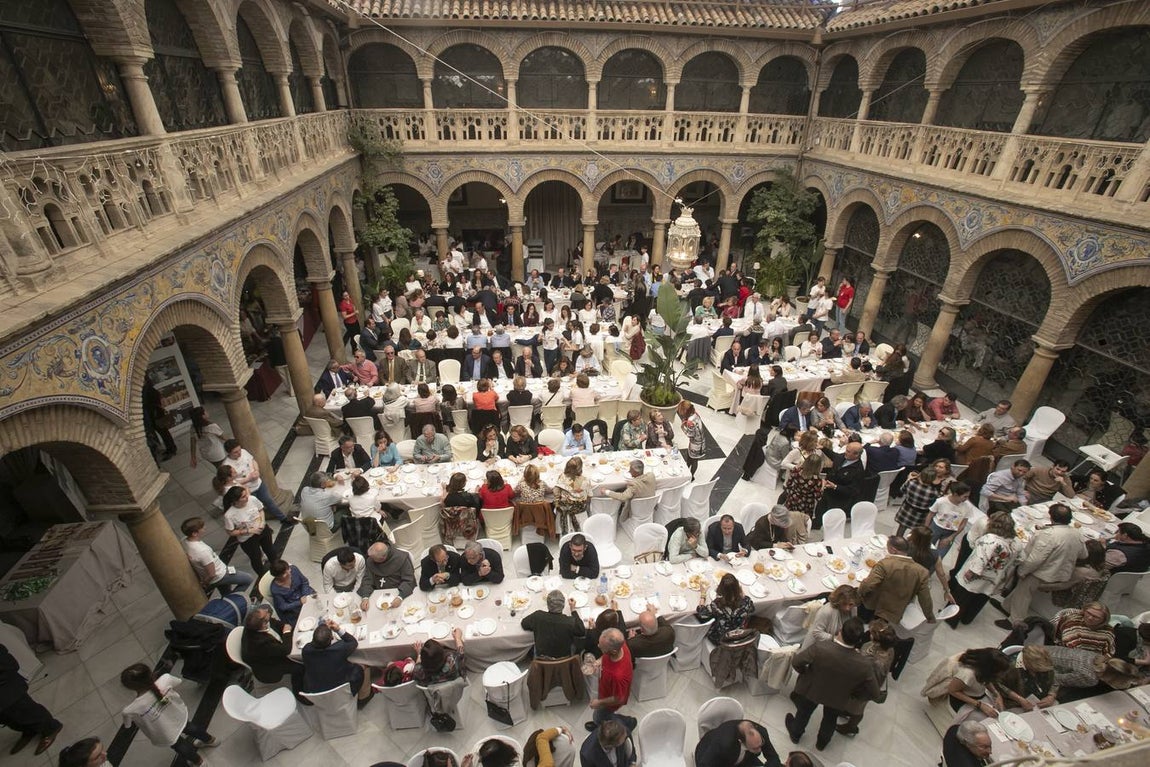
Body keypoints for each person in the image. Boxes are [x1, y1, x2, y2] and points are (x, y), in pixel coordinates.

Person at [787, 617, 880, 751]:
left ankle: (796, 734)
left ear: (840, 631)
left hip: (813, 688)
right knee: (830, 719)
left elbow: (796, 662)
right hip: (839, 696)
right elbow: (875, 693)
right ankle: (822, 743)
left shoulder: (821, 647)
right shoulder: (864, 665)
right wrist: (854, 694)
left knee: (804, 712)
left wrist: (806, 673)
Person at [1001, 503, 1086, 628]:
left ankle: (1015, 622)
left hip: (1041, 572)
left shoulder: (1049, 534)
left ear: (1051, 517)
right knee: (1021, 591)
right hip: (1060, 572)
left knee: (1023, 595)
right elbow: (1084, 554)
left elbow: (1035, 559)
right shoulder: (1077, 533)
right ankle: (1006, 607)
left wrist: (1022, 571)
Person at [119, 663, 215, 765]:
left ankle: (199, 762)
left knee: (180, 745)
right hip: (178, 716)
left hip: (165, 731)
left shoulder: (130, 710)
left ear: (131, 687)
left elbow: (127, 725)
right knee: (191, 727)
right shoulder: (165, 679)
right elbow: (178, 681)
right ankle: (211, 740)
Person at [947, 512, 1018, 626]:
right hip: (994, 577)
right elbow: (1018, 559)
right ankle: (966, 619)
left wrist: (972, 572)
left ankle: (951, 619)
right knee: (979, 599)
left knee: (961, 596)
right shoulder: (1015, 543)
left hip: (977, 575)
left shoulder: (989, 539)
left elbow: (981, 558)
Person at [0, 644, 62, 757]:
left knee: (23, 709)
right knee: (6, 717)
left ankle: (51, 728)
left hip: (4, 684)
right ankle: (29, 729)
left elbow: (6, 661)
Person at [858, 536, 934, 624]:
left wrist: (859, 593)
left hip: (873, 604)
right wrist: (930, 617)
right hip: (893, 611)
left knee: (863, 619)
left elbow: (868, 585)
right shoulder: (922, 572)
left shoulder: (885, 564)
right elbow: (925, 599)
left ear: (893, 550)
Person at [302, 622, 374, 707]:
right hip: (342, 691)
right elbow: (353, 642)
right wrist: (338, 629)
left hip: (317, 695)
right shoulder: (338, 649)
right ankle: (364, 697)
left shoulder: (306, 650)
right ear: (332, 638)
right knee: (363, 664)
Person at [921, 648, 1009, 716]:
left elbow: (986, 681)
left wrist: (996, 694)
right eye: (1000, 672)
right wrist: (979, 705)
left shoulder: (984, 671)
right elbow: (952, 690)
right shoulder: (967, 674)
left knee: (994, 711)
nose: (1002, 675)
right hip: (959, 700)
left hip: (976, 695)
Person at [180, 516, 253, 596]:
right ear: (194, 533)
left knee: (226, 592)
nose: (205, 528)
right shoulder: (202, 551)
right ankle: (234, 599)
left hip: (217, 573)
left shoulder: (184, 541)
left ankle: (227, 598)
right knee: (248, 579)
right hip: (220, 575)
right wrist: (205, 583)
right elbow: (212, 574)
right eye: (202, 527)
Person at [222, 439, 292, 523]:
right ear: (229, 453)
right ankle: (260, 525)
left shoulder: (243, 452)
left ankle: (282, 518)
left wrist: (256, 470)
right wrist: (248, 479)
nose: (239, 453)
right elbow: (232, 483)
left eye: (239, 450)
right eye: (235, 452)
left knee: (269, 501)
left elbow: (253, 460)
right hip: (247, 491)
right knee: (254, 510)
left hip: (258, 484)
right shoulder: (227, 466)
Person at [222, 485, 277, 575]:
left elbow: (260, 510)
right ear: (236, 501)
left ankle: (277, 568)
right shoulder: (229, 515)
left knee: (270, 550)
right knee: (256, 558)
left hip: (262, 530)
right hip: (247, 539)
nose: (247, 497)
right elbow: (230, 532)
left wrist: (262, 522)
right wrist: (249, 531)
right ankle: (262, 575)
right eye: (243, 497)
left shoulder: (252, 499)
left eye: (246, 494)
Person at [587, 628, 633, 731]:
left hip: (609, 702)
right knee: (601, 716)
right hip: (606, 690)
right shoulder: (621, 645)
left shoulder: (618, 676)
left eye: (602, 647)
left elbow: (619, 698)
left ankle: (628, 722)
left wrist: (599, 702)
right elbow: (606, 655)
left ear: (613, 651)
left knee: (600, 716)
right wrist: (599, 661)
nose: (598, 646)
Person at [521, 590, 586, 658]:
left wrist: (537, 626)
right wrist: (573, 610)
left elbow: (524, 624)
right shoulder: (570, 622)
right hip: (563, 659)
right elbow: (582, 631)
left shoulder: (538, 616)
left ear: (547, 605)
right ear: (563, 605)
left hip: (542, 658)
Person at [696, 573, 755, 643]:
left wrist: (703, 594)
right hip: (737, 636)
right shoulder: (747, 601)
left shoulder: (718, 605)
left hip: (720, 639)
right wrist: (740, 592)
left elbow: (701, 613)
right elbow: (752, 609)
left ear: (721, 589)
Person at [694, 719, 779, 767]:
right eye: (755, 748)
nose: (760, 750)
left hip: (744, 759)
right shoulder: (722, 744)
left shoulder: (761, 733)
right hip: (716, 761)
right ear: (741, 741)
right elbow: (704, 764)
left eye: (761, 744)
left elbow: (774, 757)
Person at [358, 541, 416, 610]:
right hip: (378, 594)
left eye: (373, 559)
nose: (370, 560)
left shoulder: (401, 558)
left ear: (383, 558)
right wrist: (365, 597)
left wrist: (400, 597)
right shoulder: (371, 559)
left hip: (398, 591)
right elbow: (367, 579)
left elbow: (409, 580)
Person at [925, 481, 976, 559]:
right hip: (936, 527)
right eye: (965, 497)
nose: (966, 499)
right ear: (955, 494)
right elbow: (930, 514)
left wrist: (951, 537)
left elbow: (963, 524)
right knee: (925, 550)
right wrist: (926, 528)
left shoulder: (968, 506)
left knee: (940, 556)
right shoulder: (941, 501)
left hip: (951, 532)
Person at [999, 645, 1059, 711]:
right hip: (1016, 702)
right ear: (1027, 663)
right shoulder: (1009, 667)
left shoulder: (1046, 662)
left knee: (1055, 707)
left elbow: (1055, 679)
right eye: (1037, 669)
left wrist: (1051, 695)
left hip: (1041, 700)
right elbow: (999, 685)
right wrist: (1019, 699)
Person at [800, 585, 858, 651]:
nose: (847, 608)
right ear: (838, 601)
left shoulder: (854, 609)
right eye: (844, 604)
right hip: (818, 646)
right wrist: (835, 639)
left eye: (850, 604)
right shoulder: (826, 611)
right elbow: (817, 633)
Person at [1052, 602, 1116, 655]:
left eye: (1096, 617)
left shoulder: (1108, 631)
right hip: (1065, 654)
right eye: (1089, 613)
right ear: (1084, 611)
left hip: (1094, 660)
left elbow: (1108, 653)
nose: (1090, 618)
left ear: (1103, 620)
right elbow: (1067, 643)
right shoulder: (1072, 621)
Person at [894, 465, 939, 537]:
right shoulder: (934, 492)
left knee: (901, 528)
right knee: (915, 532)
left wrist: (909, 478)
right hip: (921, 514)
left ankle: (897, 541)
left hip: (907, 509)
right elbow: (933, 504)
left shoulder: (911, 482)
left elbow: (902, 490)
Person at [269, 559, 315, 626]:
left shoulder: (294, 569)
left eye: (288, 568)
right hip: (294, 607)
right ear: (278, 576)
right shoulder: (275, 589)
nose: (289, 571)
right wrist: (299, 602)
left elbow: (304, 582)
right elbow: (283, 606)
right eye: (285, 572)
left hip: (304, 594)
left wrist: (305, 594)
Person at [554, 458, 590, 534]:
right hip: (578, 509)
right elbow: (590, 495)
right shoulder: (585, 480)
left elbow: (556, 491)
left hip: (564, 508)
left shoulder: (562, 476)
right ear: (580, 468)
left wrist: (558, 499)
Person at [678, 400, 706, 477]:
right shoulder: (695, 413)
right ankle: (689, 474)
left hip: (695, 444)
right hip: (701, 441)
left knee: (693, 460)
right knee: (693, 459)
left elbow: (690, 435)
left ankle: (690, 476)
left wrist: (683, 428)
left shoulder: (690, 421)